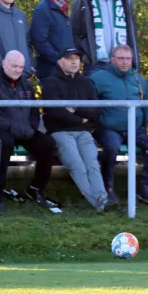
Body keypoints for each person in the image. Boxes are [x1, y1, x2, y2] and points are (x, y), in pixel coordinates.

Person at [0, 51, 56, 211]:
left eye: (21, 67)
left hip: (24, 130)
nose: (18, 70)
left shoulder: (27, 85)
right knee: (5, 142)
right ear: (4, 64)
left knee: (48, 143)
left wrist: (32, 127)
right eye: (14, 66)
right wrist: (10, 126)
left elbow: (35, 110)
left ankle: (35, 189)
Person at [90, 45, 148, 206]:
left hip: (135, 129)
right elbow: (90, 105)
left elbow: (147, 104)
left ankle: (145, 189)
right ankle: (107, 188)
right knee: (112, 146)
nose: (125, 62)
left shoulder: (139, 80)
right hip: (108, 128)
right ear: (112, 59)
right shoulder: (98, 78)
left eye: (128, 59)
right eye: (121, 58)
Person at [42, 47, 110, 212]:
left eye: (77, 58)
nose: (74, 62)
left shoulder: (86, 82)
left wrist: (75, 110)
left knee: (92, 164)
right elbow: (55, 112)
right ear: (60, 61)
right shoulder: (51, 83)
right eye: (69, 58)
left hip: (83, 131)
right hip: (60, 132)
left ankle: (102, 199)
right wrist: (81, 117)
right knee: (77, 165)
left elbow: (95, 110)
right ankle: (100, 203)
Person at [71, 0, 139, 76]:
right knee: (93, 93)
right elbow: (74, 32)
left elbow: (131, 32)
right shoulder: (84, 0)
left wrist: (133, 58)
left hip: (121, 63)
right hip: (95, 63)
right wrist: (84, 55)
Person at [31, 0, 73, 81]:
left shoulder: (64, 8)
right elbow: (40, 41)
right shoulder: (43, 9)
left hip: (65, 70)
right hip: (50, 72)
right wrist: (59, 59)